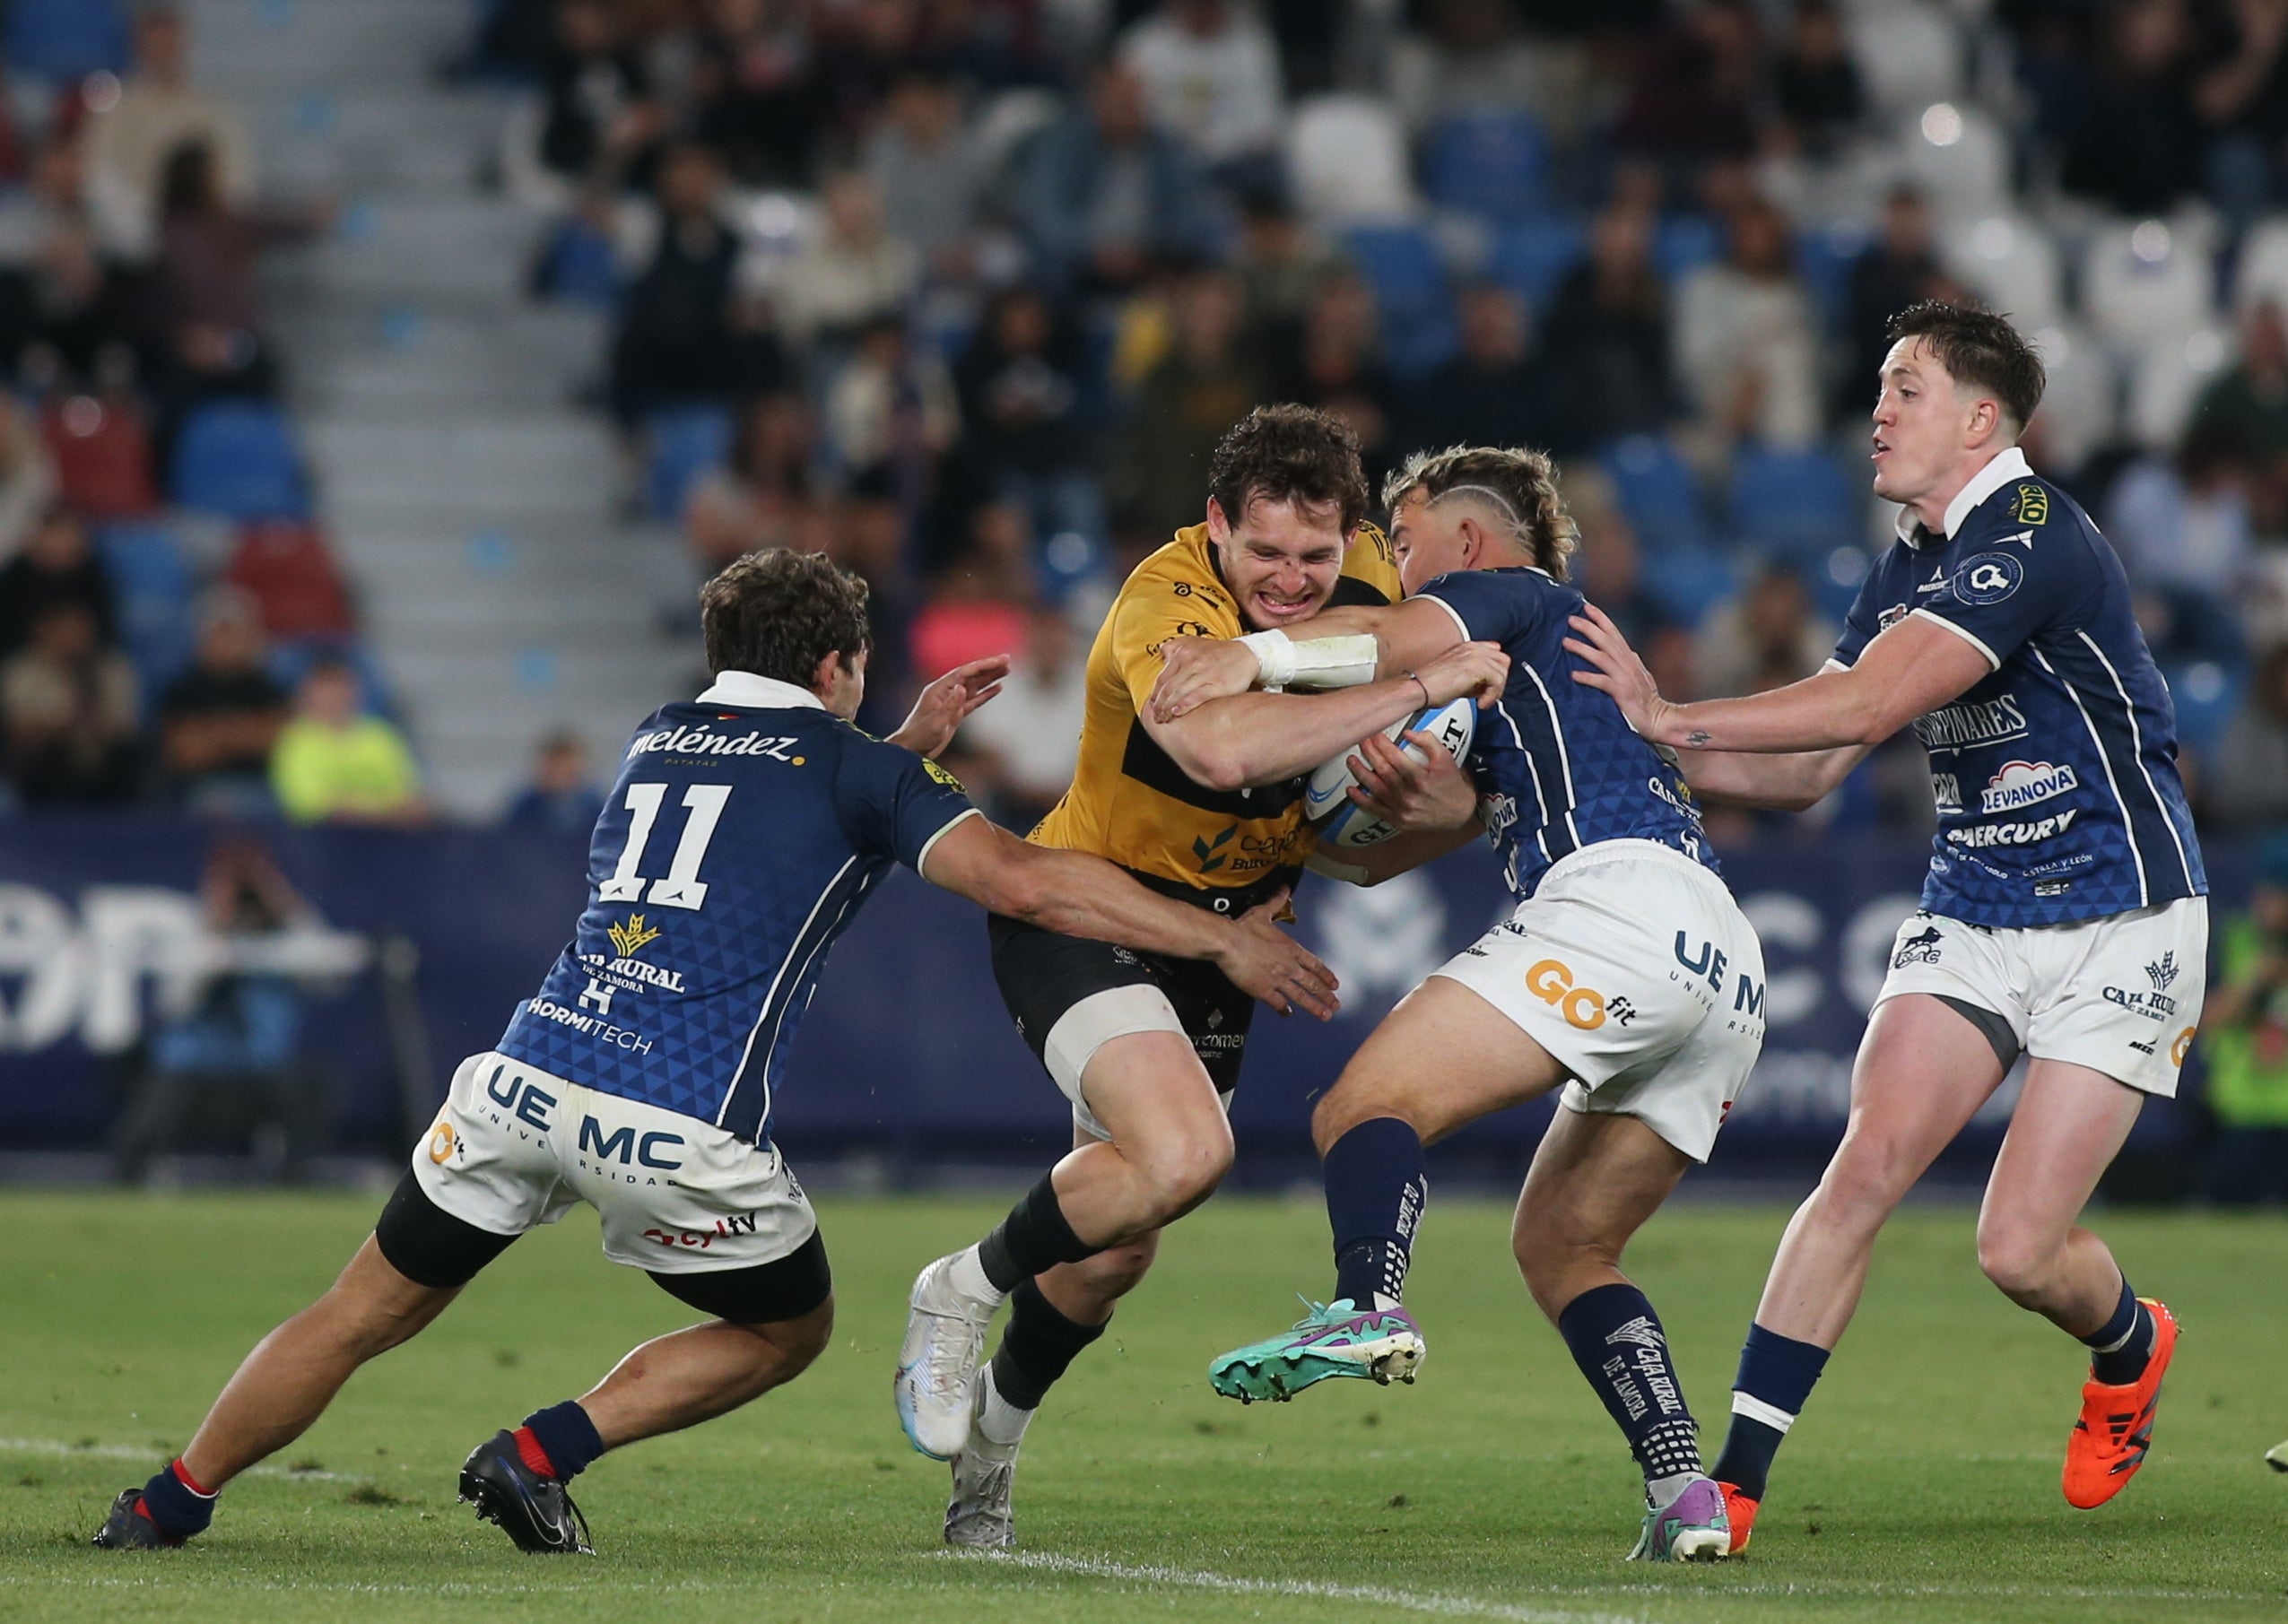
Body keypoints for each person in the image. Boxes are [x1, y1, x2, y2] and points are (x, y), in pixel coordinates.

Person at [91, 546, 1338, 1554]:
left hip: (521, 1076)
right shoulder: (851, 766)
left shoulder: (658, 731)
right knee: (784, 1331)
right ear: (839, 662)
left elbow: (774, 795)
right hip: (670, 1120)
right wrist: (1215, 942)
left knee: (359, 1308)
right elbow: (1021, 880)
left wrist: (899, 747)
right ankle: (540, 1451)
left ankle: (169, 1497)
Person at [1562, 301, 2208, 1550]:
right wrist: (1626, 765)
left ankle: (2129, 1338)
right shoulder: (1906, 559)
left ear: (1979, 419)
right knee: (1860, 1167)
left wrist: (1665, 715)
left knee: (2017, 1249)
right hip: (1971, 904)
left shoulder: (2030, 531)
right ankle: (1732, 1489)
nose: (1876, 409)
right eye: (1876, 386)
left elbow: (1861, 709)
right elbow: (1810, 767)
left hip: (2120, 916)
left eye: (1903, 388)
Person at [891, 404, 1504, 1550]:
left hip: (1229, 930)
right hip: (1089, 905)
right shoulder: (1163, 602)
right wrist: (1417, 685)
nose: (1288, 579)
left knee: (1120, 1240)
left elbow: (1364, 853)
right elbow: (1223, 748)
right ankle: (959, 1285)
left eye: (1314, 556)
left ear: (1352, 541)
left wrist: (1433, 815)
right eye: (1263, 551)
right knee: (1185, 1153)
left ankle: (988, 1453)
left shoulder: (1371, 577)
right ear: (1216, 525)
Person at [1150, 445, 1765, 1561]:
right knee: (1565, 1244)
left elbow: (1389, 642)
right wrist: (1413, 806)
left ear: (1465, 538)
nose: (1391, 568)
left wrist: (1248, 655)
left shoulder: (1508, 594)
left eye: (1404, 539)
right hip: (1722, 961)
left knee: (1361, 1107)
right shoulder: (1550, 674)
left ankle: (1368, 1305)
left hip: (1614, 904)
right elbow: (1415, 836)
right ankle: (1685, 1491)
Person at [2195, 835, 2288, 1204]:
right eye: (2268, 893)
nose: (2270, 905)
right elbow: (2200, 1020)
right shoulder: (2235, 939)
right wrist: (2254, 982)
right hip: (2238, 1114)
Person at [269, 661, 427, 826]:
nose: (334, 699)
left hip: (386, 831)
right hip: (323, 837)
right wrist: (377, 811)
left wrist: (371, 812)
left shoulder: (380, 735)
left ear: (356, 693)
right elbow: (311, 805)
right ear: (308, 696)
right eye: (326, 693)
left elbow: (406, 793)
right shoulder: (295, 741)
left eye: (340, 691)